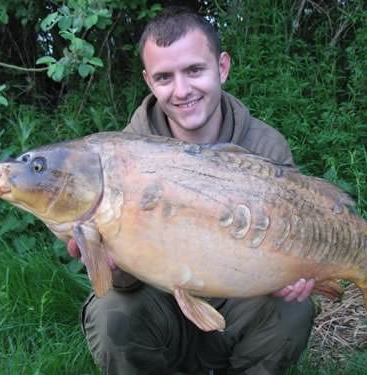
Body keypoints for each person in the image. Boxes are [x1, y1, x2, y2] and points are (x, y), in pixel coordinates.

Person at [67, 7, 315, 375]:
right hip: (162, 311)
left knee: (294, 309)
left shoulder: (265, 147)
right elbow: (122, 285)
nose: (182, 90)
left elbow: (298, 232)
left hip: (238, 301)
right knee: (111, 312)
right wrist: (109, 261)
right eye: (164, 77)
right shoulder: (120, 158)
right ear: (149, 81)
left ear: (223, 67)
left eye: (194, 70)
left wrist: (299, 268)